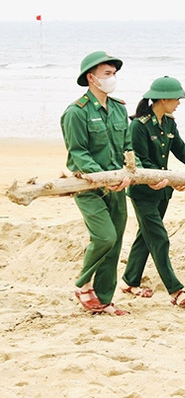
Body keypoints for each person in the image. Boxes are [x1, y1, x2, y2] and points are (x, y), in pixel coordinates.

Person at [122, 76, 185, 307]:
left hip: (162, 193)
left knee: (146, 236)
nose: (179, 103)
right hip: (144, 191)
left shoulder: (169, 123)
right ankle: (175, 291)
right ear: (162, 99)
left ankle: (129, 281)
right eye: (176, 99)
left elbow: (182, 151)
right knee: (160, 238)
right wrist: (168, 179)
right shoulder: (139, 126)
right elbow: (140, 161)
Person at [61, 51, 131, 316]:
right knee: (104, 237)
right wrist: (103, 178)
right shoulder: (75, 113)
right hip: (89, 187)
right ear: (92, 78)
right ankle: (81, 284)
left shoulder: (119, 108)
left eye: (114, 74)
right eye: (107, 74)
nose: (113, 78)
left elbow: (127, 146)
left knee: (115, 244)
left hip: (118, 187)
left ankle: (103, 300)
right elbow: (78, 153)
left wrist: (128, 172)